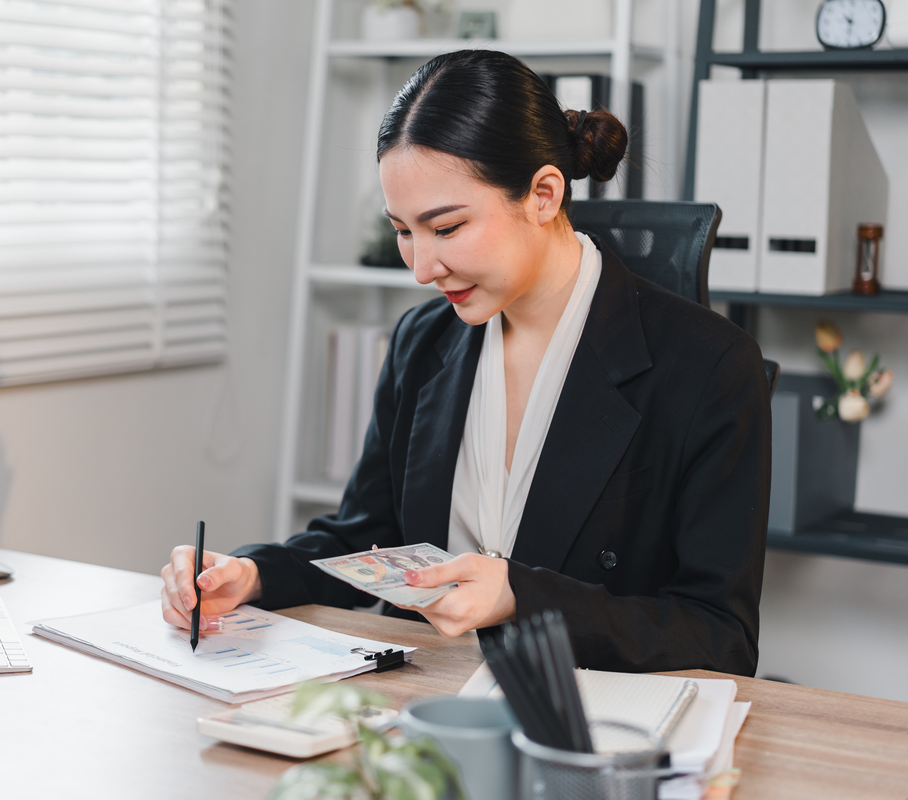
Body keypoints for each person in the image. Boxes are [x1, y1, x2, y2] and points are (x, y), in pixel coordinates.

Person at [160, 50, 771, 676]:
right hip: (422, 694)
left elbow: (718, 636)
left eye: (447, 228)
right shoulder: (421, 342)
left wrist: (520, 598)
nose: (422, 269)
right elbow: (366, 536)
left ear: (543, 194)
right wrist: (251, 573)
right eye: (404, 231)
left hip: (581, 709)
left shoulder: (710, 365)